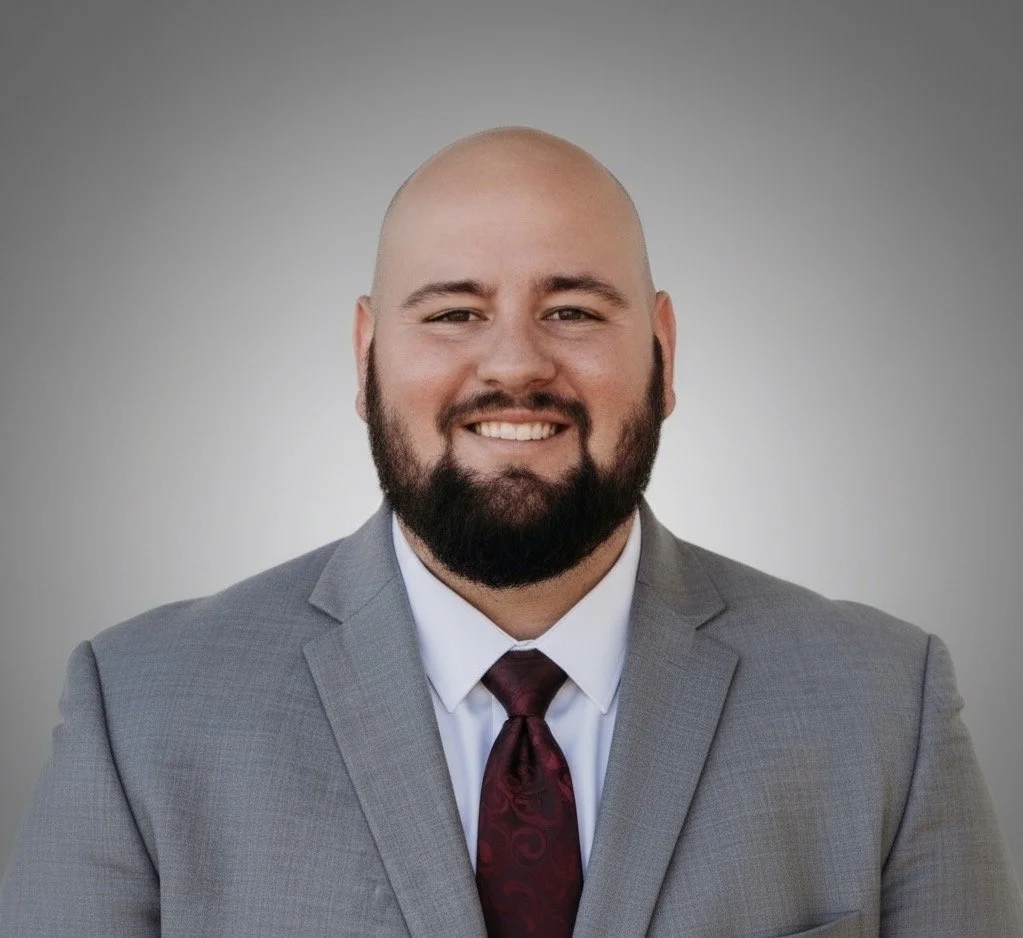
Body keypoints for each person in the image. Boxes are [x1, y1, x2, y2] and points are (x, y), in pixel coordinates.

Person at [2, 126, 1021, 938]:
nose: (514, 366)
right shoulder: (136, 717)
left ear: (662, 350)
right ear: (365, 355)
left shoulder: (887, 707)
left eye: (574, 310)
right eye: (452, 313)